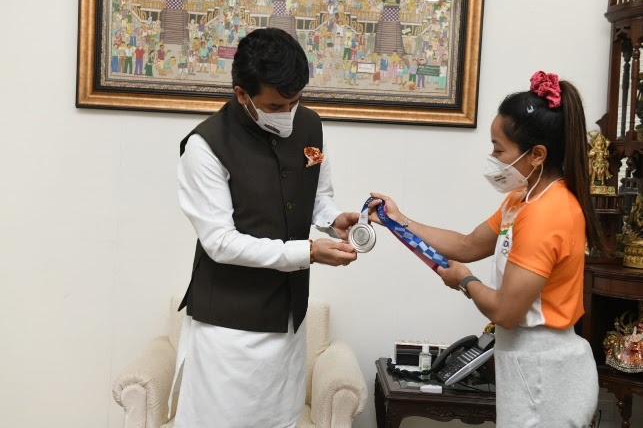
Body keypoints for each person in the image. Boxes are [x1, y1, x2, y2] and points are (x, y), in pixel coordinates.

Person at [369, 71, 601, 427]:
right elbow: (467, 244)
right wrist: (399, 221)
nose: (493, 157)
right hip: (525, 364)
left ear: (537, 155)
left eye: (499, 149)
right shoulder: (521, 200)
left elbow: (506, 312)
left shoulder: (548, 213)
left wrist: (465, 281)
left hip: (546, 373)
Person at [172, 27, 359, 428]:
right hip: (227, 331)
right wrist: (309, 252)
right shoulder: (204, 146)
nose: (288, 112)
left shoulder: (309, 126)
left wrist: (333, 220)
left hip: (288, 322)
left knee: (280, 421)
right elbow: (221, 242)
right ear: (242, 94)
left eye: (295, 100)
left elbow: (317, 194)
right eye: (276, 105)